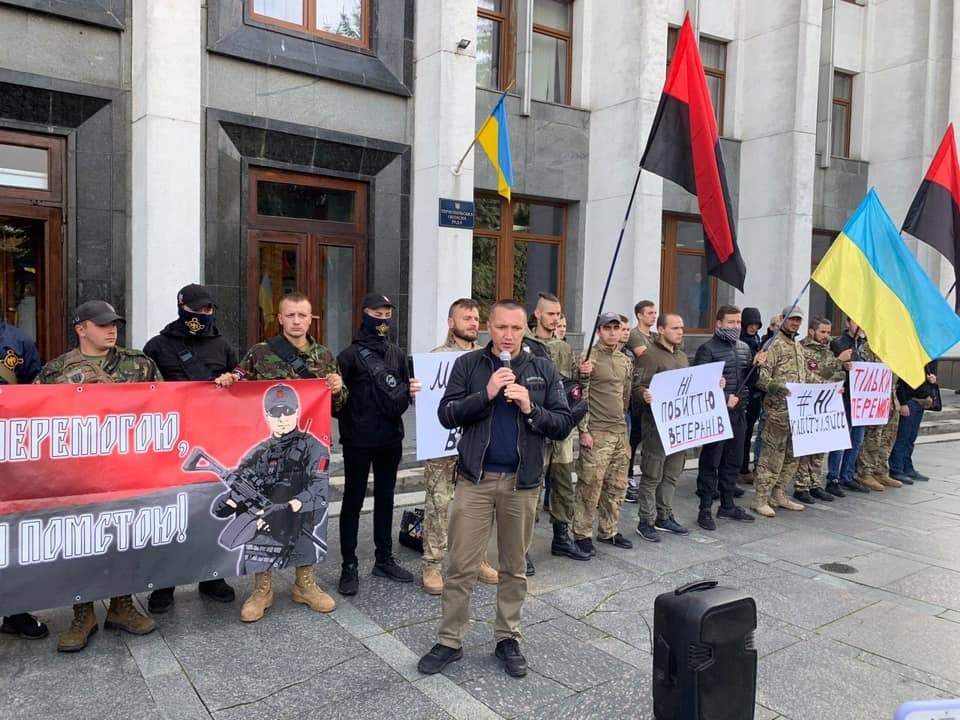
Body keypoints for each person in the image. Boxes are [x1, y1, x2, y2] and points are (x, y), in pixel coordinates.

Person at [416, 300, 573, 678]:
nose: (508, 335)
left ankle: (508, 638)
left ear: (525, 330)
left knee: (514, 568)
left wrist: (531, 407)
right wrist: (485, 394)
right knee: (460, 567)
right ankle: (450, 640)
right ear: (489, 326)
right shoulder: (468, 365)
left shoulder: (542, 368)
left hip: (522, 483)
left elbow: (563, 423)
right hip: (475, 479)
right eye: (501, 327)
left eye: (516, 328)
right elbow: (446, 414)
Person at [35, 300, 161, 652]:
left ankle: (122, 606)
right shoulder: (56, 370)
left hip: (128, 472)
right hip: (78, 475)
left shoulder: (139, 364)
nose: (111, 329)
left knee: (124, 538)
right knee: (82, 543)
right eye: (103, 324)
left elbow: (167, 407)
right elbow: (32, 417)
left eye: (115, 324)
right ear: (81, 328)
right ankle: (83, 612)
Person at [234, 291, 345, 621]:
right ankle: (262, 588)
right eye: (291, 315)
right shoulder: (260, 353)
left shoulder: (324, 357)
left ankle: (305, 583)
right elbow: (239, 384)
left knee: (306, 516)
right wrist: (229, 380)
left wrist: (339, 389)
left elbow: (339, 407)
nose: (297, 321)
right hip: (267, 452)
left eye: (303, 316)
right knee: (263, 518)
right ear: (279, 318)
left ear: (311, 319)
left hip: (308, 450)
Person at [143, 284, 238, 612]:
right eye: (195, 310)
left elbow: (239, 390)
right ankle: (165, 585)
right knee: (171, 514)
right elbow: (144, 396)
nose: (200, 316)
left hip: (213, 444)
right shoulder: (157, 346)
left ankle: (212, 577)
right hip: (171, 445)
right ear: (181, 306)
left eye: (206, 311)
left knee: (209, 512)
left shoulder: (223, 346)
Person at [212, 384, 332, 616]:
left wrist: (291, 506)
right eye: (275, 413)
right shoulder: (258, 452)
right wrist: (231, 501)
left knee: (303, 546)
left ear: (297, 412)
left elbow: (319, 484)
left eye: (288, 412)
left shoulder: (313, 446)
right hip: (262, 525)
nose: (282, 418)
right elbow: (240, 483)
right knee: (256, 546)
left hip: (298, 521)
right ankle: (262, 590)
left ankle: (304, 585)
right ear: (266, 417)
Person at [336, 292, 421, 596]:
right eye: (377, 314)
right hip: (357, 440)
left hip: (390, 439)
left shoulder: (397, 354)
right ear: (364, 314)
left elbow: (403, 394)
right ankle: (349, 565)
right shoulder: (347, 356)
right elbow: (337, 403)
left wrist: (412, 391)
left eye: (387, 315)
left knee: (386, 499)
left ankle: (383, 558)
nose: (383, 320)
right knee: (352, 501)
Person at [421, 298, 498, 595]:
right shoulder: (436, 358)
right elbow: (432, 404)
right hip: (442, 447)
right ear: (451, 323)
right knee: (438, 504)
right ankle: (433, 563)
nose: (473, 323)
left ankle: (475, 558)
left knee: (477, 507)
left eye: (476, 317)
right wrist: (417, 389)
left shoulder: (486, 358)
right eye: (466, 318)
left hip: (477, 445)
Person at [526, 292, 592, 565]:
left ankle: (561, 538)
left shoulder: (564, 348)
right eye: (550, 314)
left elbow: (574, 390)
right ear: (538, 314)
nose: (555, 319)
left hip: (562, 430)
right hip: (535, 428)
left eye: (558, 314)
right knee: (531, 489)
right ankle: (522, 548)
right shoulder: (525, 345)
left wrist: (584, 374)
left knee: (564, 485)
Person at [0, 309, 47, 640]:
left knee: (8, 529)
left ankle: (14, 611)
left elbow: (35, 389)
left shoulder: (17, 340)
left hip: (8, 445)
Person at [572, 313, 634, 553]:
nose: (611, 332)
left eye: (615, 328)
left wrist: (623, 429)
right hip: (597, 433)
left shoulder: (624, 361)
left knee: (616, 486)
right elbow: (580, 396)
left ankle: (609, 530)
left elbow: (625, 395)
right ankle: (582, 533)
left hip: (619, 432)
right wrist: (584, 430)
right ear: (599, 331)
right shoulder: (589, 358)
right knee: (590, 486)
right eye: (606, 328)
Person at [693, 305, 758, 530]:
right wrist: (723, 397)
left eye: (738, 322)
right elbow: (699, 385)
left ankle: (728, 505)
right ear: (719, 324)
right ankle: (705, 508)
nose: (736, 326)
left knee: (733, 460)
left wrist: (758, 365)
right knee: (711, 462)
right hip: (715, 415)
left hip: (738, 414)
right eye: (731, 322)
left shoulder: (743, 348)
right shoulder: (707, 349)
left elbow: (750, 380)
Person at [751, 305, 817, 517]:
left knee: (791, 457)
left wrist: (830, 386)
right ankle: (760, 498)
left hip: (797, 413)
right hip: (777, 412)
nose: (795, 323)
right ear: (781, 319)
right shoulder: (773, 345)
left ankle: (778, 493)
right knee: (771, 456)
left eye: (798, 320)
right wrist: (778, 388)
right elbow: (761, 378)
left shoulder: (797, 346)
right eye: (791, 319)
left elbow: (807, 376)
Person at [633, 312, 690, 541]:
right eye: (675, 328)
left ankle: (664, 515)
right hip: (656, 426)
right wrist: (643, 394)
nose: (680, 332)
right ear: (662, 330)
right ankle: (646, 520)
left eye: (682, 328)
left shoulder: (682, 356)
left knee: (672, 473)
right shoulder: (650, 356)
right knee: (652, 474)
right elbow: (636, 386)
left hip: (679, 426)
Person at [794, 317, 849, 502]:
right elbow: (810, 375)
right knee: (807, 446)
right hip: (809, 403)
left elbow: (838, 373)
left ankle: (814, 483)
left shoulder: (830, 349)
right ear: (812, 331)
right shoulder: (801, 348)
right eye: (822, 332)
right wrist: (836, 364)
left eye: (828, 332)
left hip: (828, 402)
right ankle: (801, 486)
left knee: (821, 445)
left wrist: (838, 380)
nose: (826, 336)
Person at [827, 319, 875, 493]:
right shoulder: (838, 343)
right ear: (847, 323)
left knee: (857, 439)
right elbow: (830, 366)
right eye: (856, 321)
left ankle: (847, 475)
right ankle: (833, 477)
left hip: (861, 399)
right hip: (845, 397)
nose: (860, 325)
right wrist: (843, 364)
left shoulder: (864, 344)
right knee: (841, 439)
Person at [854, 342, 902, 490]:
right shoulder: (868, 347)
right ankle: (865, 472)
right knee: (872, 438)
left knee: (887, 438)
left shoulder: (893, 349)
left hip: (890, 399)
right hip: (874, 399)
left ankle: (880, 470)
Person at [625, 300, 658, 503]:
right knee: (633, 437)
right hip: (638, 392)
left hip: (654, 393)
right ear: (639, 315)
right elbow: (646, 356)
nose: (653, 316)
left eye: (655, 313)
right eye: (649, 313)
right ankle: (628, 477)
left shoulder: (654, 336)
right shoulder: (635, 335)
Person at [889, 366, 938, 483]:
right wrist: (903, 403)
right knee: (903, 437)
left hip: (920, 402)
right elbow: (899, 384)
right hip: (910, 401)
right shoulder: (908, 360)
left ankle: (907, 467)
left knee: (911, 437)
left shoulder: (924, 362)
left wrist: (931, 381)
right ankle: (896, 469)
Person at [738, 306, 763, 482]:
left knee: (747, 433)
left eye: (756, 324)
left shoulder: (757, 339)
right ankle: (740, 467)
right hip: (744, 392)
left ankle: (744, 466)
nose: (753, 327)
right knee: (742, 433)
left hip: (755, 393)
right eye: (750, 324)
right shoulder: (741, 341)